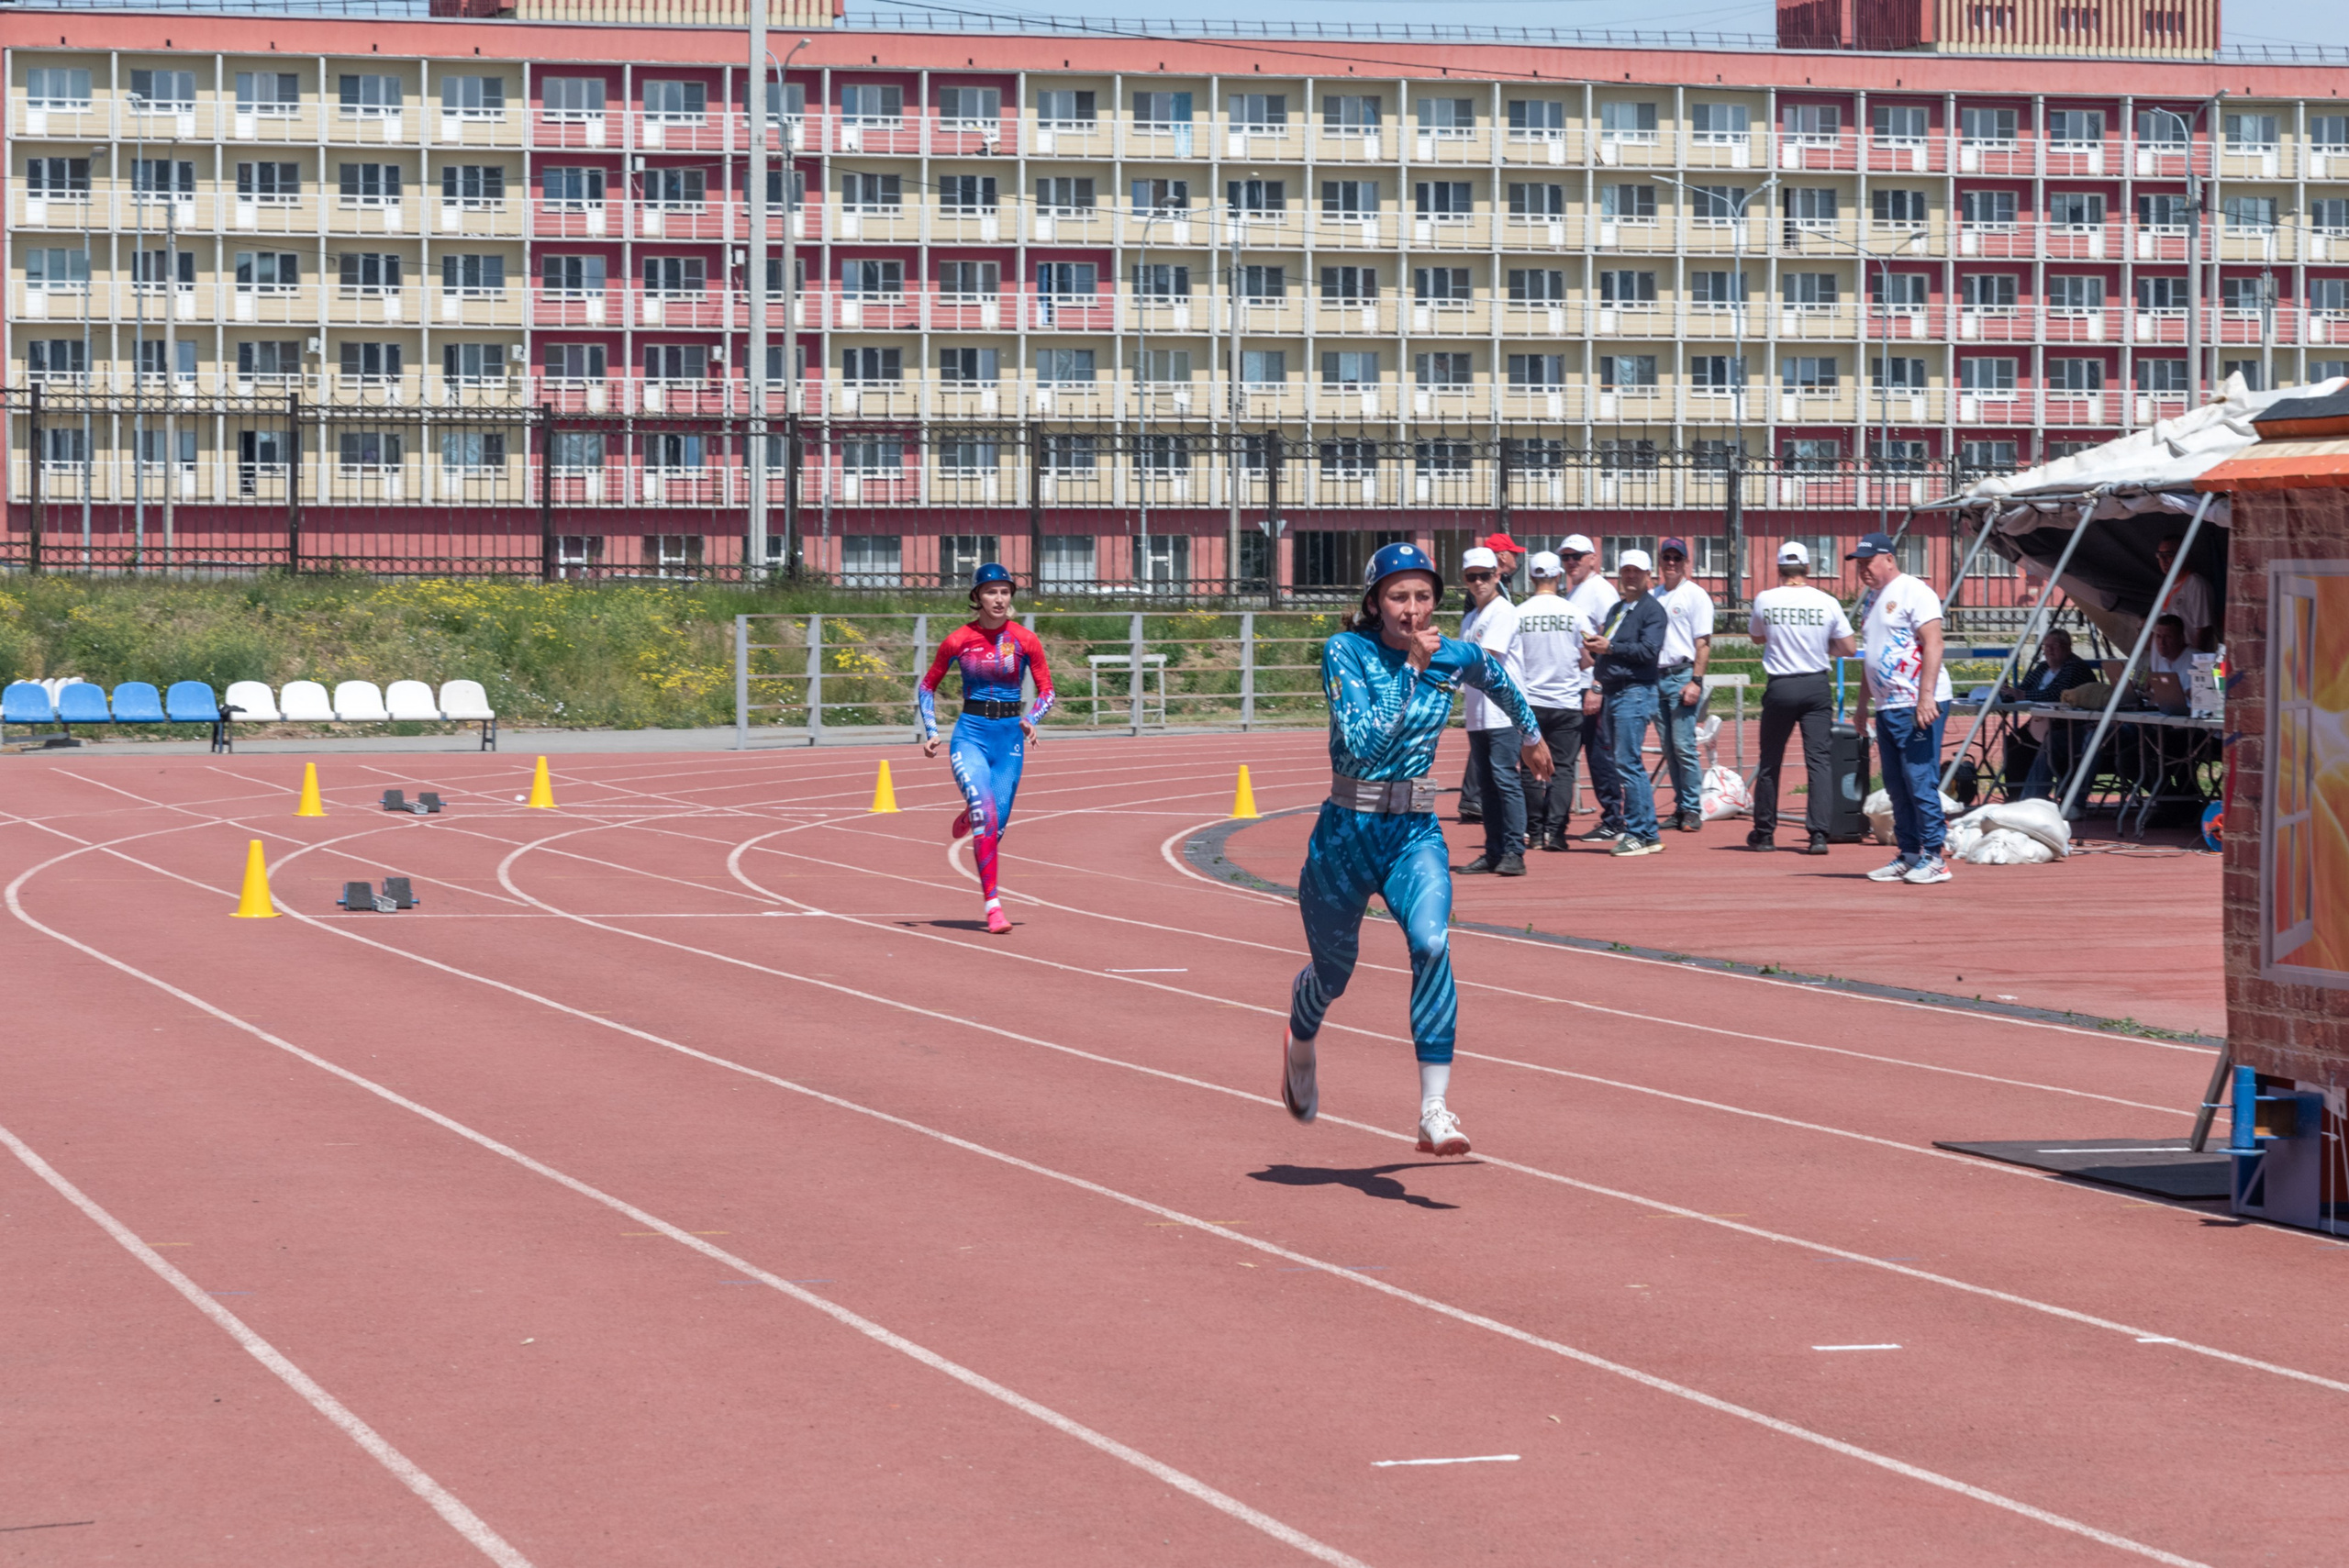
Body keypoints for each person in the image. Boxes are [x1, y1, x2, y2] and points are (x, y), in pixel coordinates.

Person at [1282, 542, 1552, 1159]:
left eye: (1423, 596)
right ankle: (1301, 1042)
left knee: (1431, 942)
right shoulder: (1344, 652)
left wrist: (1531, 736)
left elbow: (1498, 677)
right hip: (1346, 836)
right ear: (1374, 602)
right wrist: (1411, 671)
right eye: (1398, 597)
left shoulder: (1452, 653)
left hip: (1414, 833)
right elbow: (1363, 744)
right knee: (1333, 974)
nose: (1411, 609)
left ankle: (1434, 1108)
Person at [917, 563, 1057, 935]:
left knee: (993, 828)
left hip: (1009, 741)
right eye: (991, 592)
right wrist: (932, 730)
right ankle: (993, 907)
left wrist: (1034, 718)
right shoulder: (958, 640)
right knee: (987, 813)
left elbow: (1048, 690)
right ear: (976, 596)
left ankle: (971, 814)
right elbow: (927, 686)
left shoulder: (1025, 640)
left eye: (1005, 592)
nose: (999, 599)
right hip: (971, 737)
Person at [1848, 532, 1953, 884]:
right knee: (1895, 784)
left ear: (1889, 559)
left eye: (1868, 563)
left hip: (1916, 703)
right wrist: (1863, 704)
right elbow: (1871, 656)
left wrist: (1926, 697)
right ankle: (1909, 853)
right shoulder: (1872, 600)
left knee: (1919, 779)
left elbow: (1934, 643)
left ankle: (1936, 856)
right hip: (1888, 705)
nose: (1862, 570)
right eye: (1858, 565)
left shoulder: (1915, 591)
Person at [1746, 540, 1856, 853]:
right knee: (1819, 761)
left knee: (1770, 761)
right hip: (1815, 685)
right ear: (1808, 568)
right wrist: (1822, 647)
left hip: (1780, 685)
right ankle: (1818, 834)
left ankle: (1764, 833)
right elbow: (1848, 648)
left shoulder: (1765, 599)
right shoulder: (1827, 601)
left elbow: (1756, 637)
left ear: (1779, 569)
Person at [1514, 550, 1601, 851]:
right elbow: (1590, 655)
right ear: (1557, 576)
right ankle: (1557, 833)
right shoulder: (1574, 613)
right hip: (1565, 701)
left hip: (1530, 703)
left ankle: (1535, 832)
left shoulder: (1519, 613)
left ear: (1533, 577)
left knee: (1529, 768)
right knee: (1563, 768)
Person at [1587, 549, 1670, 857]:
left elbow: (1649, 651)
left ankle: (1640, 832)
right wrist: (1597, 652)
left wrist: (1609, 647)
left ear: (1649, 576)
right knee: (1624, 762)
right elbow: (1611, 649)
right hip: (1614, 690)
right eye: (1626, 570)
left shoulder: (1652, 611)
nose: (1630, 576)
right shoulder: (1617, 609)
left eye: (1637, 571)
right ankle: (1645, 832)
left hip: (1635, 691)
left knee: (1628, 762)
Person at [1457, 546, 1531, 875]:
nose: (1478, 583)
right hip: (1478, 714)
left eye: (1485, 576)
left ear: (1497, 575)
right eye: (1472, 577)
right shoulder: (1472, 617)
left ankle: (1514, 851)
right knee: (1487, 785)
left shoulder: (1503, 611)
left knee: (1505, 779)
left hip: (1503, 712)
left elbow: (1481, 658)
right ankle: (1493, 849)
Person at [1559, 534, 1627, 840]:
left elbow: (1610, 644)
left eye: (1577, 556)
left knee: (1600, 755)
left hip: (1593, 688)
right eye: (1566, 557)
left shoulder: (1600, 592)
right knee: (1578, 754)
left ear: (1593, 558)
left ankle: (1614, 819)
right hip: (1575, 685)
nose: (1571, 562)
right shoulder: (1575, 593)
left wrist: (1597, 686)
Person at [1653, 539, 1716, 833]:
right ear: (1660, 561)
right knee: (1669, 747)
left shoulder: (1695, 596)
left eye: (1678, 558)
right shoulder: (1653, 596)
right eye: (1667, 557)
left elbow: (1702, 643)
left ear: (1686, 562)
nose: (1672, 563)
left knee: (1684, 745)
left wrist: (1696, 681)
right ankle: (1681, 806)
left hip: (1682, 675)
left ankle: (1692, 808)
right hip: (1656, 677)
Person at [1999, 628, 2099, 796]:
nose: (2050, 650)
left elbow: (2057, 695)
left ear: (2067, 647)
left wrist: (2023, 695)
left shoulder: (2074, 667)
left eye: (2055, 646)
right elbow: (2023, 689)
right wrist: (2008, 693)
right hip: (2041, 723)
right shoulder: (2042, 668)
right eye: (2046, 647)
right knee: (2013, 743)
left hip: (2068, 724)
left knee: (2050, 745)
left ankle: (2035, 796)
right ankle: (2016, 796)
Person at [2153, 534, 2218, 652]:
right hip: (2166, 664)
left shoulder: (2196, 585)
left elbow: (2204, 628)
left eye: (2169, 555)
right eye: (2160, 555)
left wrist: (2192, 662)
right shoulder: (2165, 588)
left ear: (2185, 556)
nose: (2163, 560)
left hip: (2188, 663)